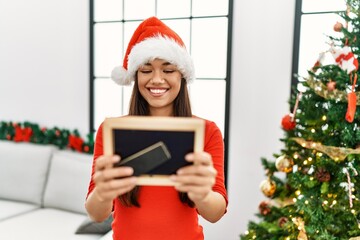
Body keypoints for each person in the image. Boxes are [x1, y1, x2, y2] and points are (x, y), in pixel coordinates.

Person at [85, 16, 228, 240]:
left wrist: (203, 194)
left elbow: (216, 212)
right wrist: (103, 192)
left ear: (182, 75)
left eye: (168, 70)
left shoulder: (207, 131)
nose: (157, 79)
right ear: (135, 75)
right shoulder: (112, 131)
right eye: (146, 70)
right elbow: (95, 212)